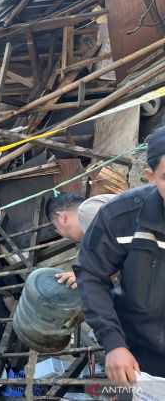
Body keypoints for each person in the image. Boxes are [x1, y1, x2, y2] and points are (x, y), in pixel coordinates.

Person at [75, 126, 165, 387]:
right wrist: (114, 344)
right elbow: (91, 274)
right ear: (150, 177)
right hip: (140, 355)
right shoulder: (121, 217)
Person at [47, 193, 115, 289]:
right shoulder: (99, 207)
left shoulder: (88, 211)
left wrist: (88, 274)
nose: (61, 234)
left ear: (62, 218)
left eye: (56, 228)